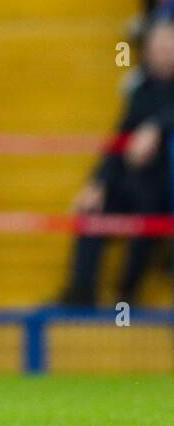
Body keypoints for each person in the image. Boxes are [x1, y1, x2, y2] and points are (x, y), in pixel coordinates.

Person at [60, 20, 174, 305]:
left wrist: (156, 127)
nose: (159, 53)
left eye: (166, 46)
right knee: (92, 207)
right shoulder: (140, 89)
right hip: (129, 180)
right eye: (155, 47)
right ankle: (81, 293)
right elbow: (118, 140)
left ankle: (126, 294)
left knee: (146, 211)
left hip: (162, 188)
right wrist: (96, 183)